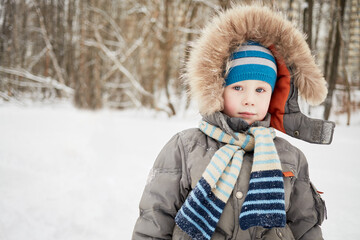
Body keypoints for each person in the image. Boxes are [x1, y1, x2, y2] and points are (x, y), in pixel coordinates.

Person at [132, 4, 335, 240]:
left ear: (273, 96)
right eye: (238, 87)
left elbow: (305, 226)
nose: (249, 100)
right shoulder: (185, 147)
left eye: (260, 90)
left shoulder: (291, 157)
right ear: (218, 90)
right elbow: (155, 218)